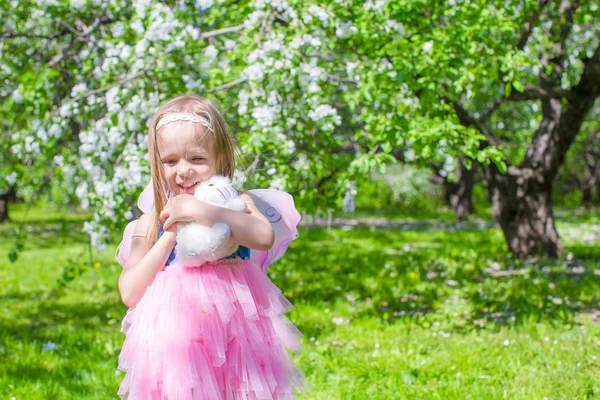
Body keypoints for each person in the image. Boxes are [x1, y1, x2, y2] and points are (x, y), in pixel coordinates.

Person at [114, 95, 307, 399]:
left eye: (197, 159)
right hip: (176, 343)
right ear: (157, 164)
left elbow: (262, 236)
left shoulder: (237, 205)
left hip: (237, 338)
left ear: (221, 160)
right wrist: (169, 235)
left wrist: (203, 212)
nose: (184, 170)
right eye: (171, 161)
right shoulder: (150, 222)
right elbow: (129, 293)